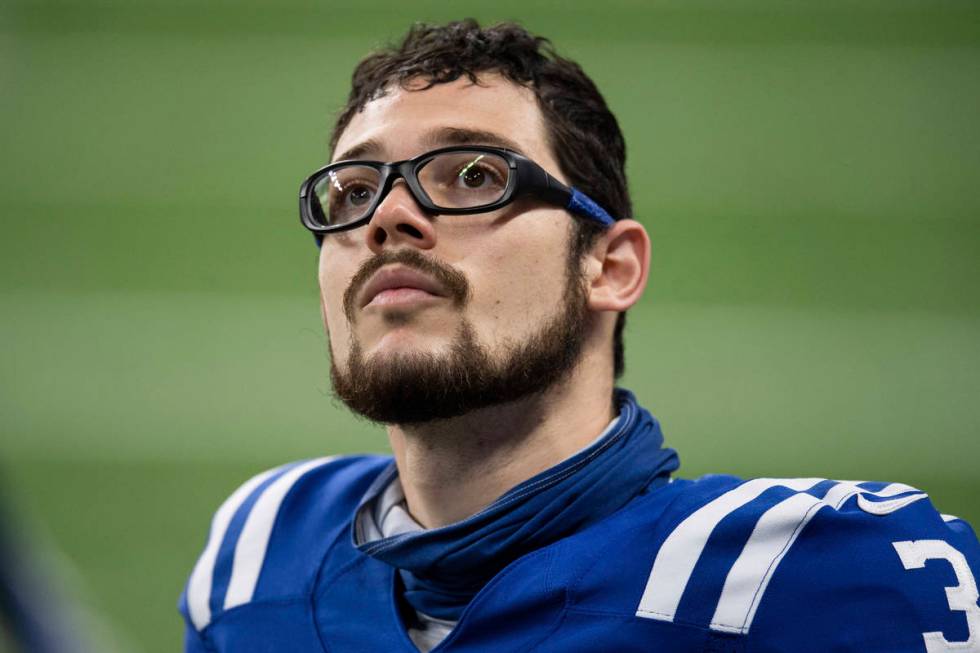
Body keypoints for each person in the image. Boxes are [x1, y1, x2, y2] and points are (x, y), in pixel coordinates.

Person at [180, 20, 980, 653]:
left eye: (473, 175)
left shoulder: (809, 580)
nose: (389, 215)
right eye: (353, 190)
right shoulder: (258, 554)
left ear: (610, 265)